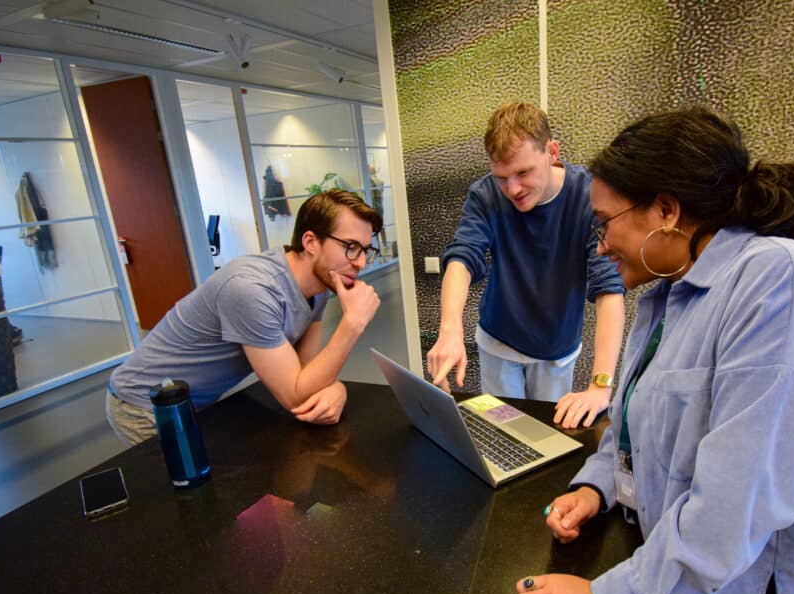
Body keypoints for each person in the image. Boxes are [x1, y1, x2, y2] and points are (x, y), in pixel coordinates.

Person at [514, 107, 794, 594]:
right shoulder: (668, 296)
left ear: (666, 209)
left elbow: (736, 507)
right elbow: (637, 426)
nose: (601, 244)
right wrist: (596, 486)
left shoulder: (782, 283)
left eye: (605, 222)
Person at [107, 189, 382, 446]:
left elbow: (309, 371)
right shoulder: (251, 290)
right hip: (144, 404)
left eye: (365, 250)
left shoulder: (319, 287)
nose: (359, 262)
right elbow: (295, 394)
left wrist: (337, 390)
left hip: (200, 400)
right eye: (350, 246)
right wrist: (352, 323)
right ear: (310, 242)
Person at [427, 102, 625, 429]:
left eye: (523, 173)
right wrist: (450, 329)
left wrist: (600, 387)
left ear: (551, 151)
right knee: (506, 434)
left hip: (557, 348)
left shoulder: (588, 195)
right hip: (499, 341)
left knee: (550, 435)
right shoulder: (486, 194)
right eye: (502, 177)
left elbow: (609, 290)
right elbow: (462, 257)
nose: (513, 189)